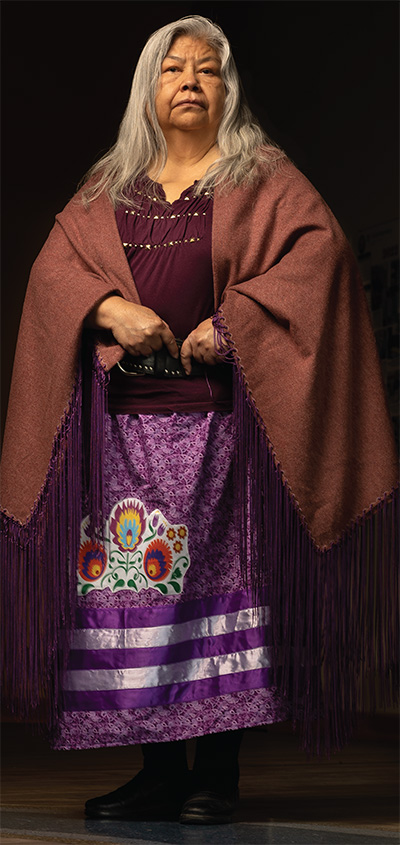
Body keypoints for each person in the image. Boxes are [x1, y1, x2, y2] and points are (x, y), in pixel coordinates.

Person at [1, 14, 398, 827]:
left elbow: (318, 256)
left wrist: (238, 319)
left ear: (227, 88)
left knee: (224, 593)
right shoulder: (108, 185)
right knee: (136, 593)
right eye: (173, 68)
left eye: (207, 69)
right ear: (149, 88)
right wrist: (109, 307)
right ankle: (155, 772)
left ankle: (217, 774)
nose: (190, 80)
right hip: (124, 437)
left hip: (226, 432)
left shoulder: (263, 176)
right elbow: (53, 276)